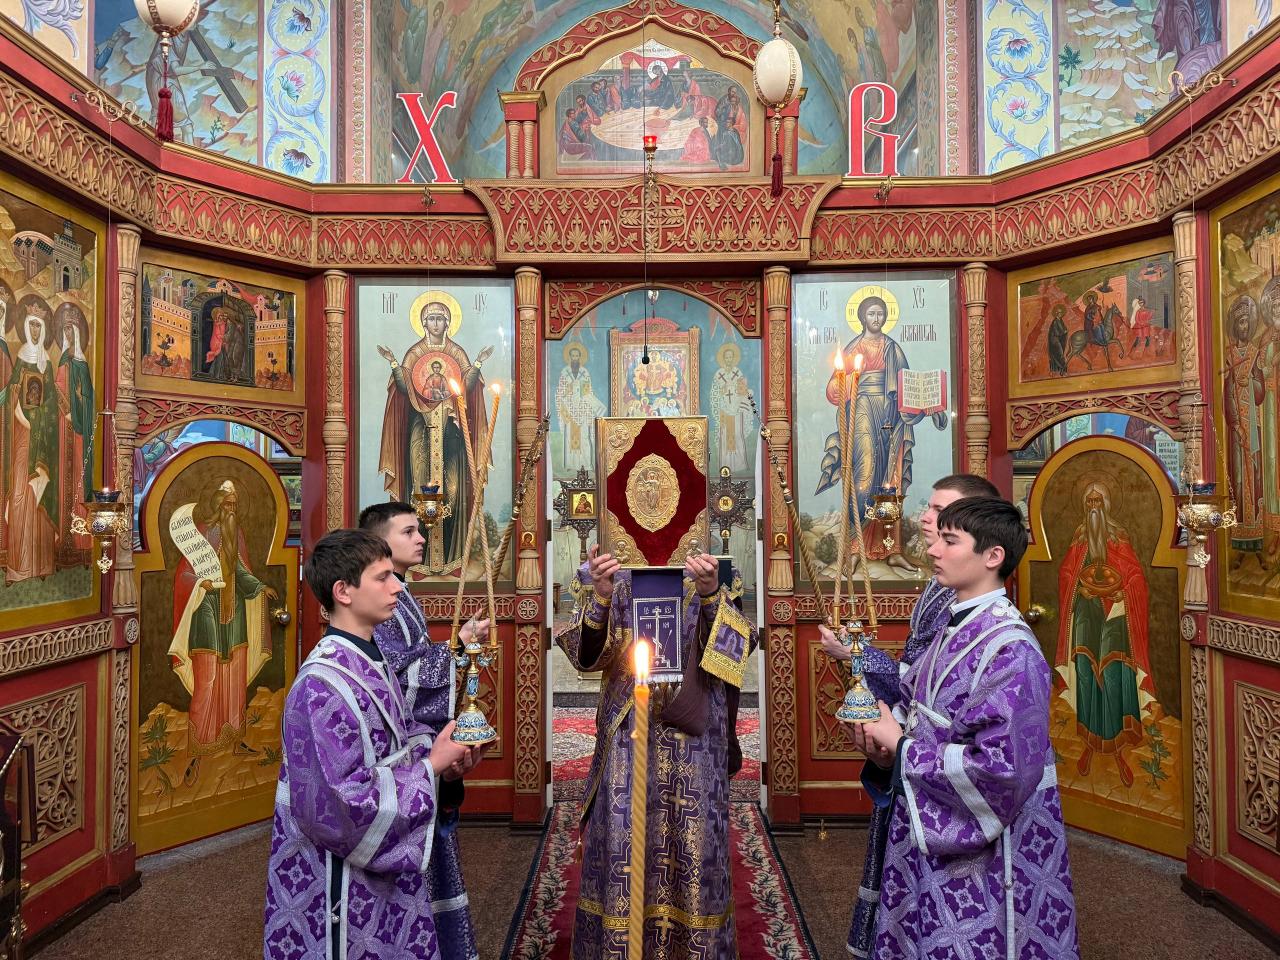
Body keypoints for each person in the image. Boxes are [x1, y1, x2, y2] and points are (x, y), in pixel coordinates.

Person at [844, 498, 1079, 958]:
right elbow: (915, 708)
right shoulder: (955, 628)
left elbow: (1001, 771)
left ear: (993, 556)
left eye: (950, 541)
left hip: (984, 860)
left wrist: (902, 748)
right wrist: (885, 751)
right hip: (928, 826)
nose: (934, 550)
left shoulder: (1010, 650)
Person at [263, 528, 473, 960]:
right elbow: (342, 803)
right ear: (343, 592)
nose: (397, 587)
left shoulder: (368, 656)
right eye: (382, 577)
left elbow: (401, 738)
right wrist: (430, 767)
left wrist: (445, 761)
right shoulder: (321, 686)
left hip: (381, 868)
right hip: (339, 881)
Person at [819, 473, 1000, 959]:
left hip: (943, 784)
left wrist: (896, 738)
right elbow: (919, 681)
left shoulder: (1001, 639)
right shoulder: (946, 593)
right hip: (922, 767)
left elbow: (929, 695)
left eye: (942, 516)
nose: (925, 518)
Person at [555, 547, 756, 958]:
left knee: (694, 845)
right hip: (628, 734)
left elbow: (734, 654)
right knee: (623, 839)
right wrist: (601, 597)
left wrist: (710, 594)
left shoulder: (712, 570)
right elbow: (586, 658)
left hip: (696, 737)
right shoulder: (613, 572)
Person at [359, 502, 492, 960]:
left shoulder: (402, 593)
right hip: (404, 757)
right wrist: (455, 649)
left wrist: (457, 645)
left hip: (422, 752)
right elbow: (396, 681)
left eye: (420, 530)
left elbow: (411, 662)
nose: (421, 539)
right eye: (409, 531)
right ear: (379, 542)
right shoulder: (381, 604)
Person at [818, 295, 947, 572]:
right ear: (863, 317)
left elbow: (908, 388)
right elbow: (833, 390)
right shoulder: (854, 348)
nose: (876, 319)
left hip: (891, 416)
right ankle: (856, 548)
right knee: (863, 477)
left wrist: (929, 404)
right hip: (862, 411)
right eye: (871, 314)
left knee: (891, 482)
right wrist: (853, 378)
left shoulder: (892, 348)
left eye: (880, 314)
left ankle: (892, 549)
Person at [169, 480, 278, 780]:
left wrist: (259, 587)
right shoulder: (201, 534)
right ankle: (198, 750)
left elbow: (240, 570)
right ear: (217, 505)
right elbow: (184, 574)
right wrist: (200, 583)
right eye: (227, 504)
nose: (232, 510)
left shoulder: (235, 534)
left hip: (235, 613)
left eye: (235, 505)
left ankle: (234, 737)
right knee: (207, 679)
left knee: (234, 678)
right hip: (206, 612)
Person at [377, 298, 492, 572]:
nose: (436, 323)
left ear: (448, 323)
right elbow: (404, 387)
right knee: (419, 488)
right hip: (421, 430)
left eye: (440, 318)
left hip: (451, 434)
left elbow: (466, 386)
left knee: (453, 491)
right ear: (423, 323)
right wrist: (393, 363)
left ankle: (451, 559)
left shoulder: (456, 352)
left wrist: (477, 363)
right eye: (431, 318)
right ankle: (420, 561)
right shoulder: (415, 353)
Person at [1055, 480, 1153, 787]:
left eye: (1098, 501)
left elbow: (1135, 576)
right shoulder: (1079, 538)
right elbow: (1066, 574)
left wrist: (1125, 593)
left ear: (1107, 504)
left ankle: (1118, 748)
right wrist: (1078, 588)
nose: (1094, 507)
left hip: (1115, 615)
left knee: (1113, 675)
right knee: (1085, 673)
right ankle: (1089, 742)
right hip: (1086, 613)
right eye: (1090, 502)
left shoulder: (1117, 536)